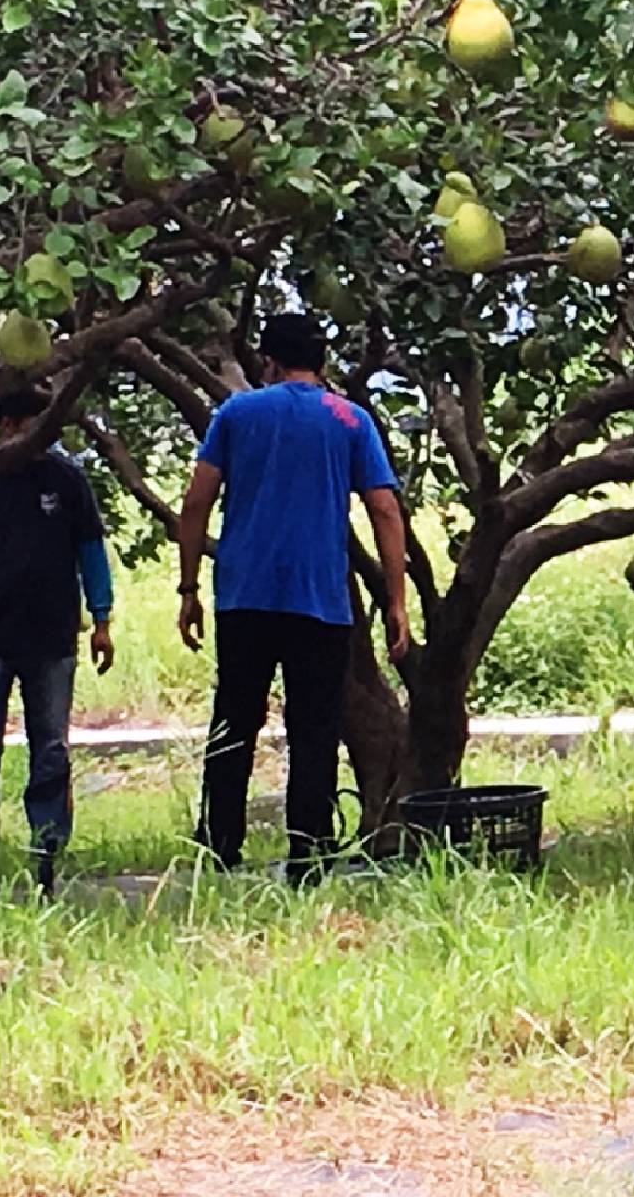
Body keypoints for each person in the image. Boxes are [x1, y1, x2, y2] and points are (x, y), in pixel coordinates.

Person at [176, 313, 410, 883]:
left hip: (244, 595)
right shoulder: (350, 419)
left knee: (234, 720)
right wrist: (397, 601)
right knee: (314, 728)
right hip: (320, 599)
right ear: (322, 363)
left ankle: (220, 848)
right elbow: (384, 509)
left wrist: (188, 588)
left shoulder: (237, 413)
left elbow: (195, 501)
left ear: (268, 362)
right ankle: (308, 854)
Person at [0, 386, 115, 877]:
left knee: (52, 747)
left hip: (53, 636)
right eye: (32, 425)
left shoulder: (66, 480)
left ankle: (49, 839)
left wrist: (101, 621)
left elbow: (91, 553)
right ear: (8, 426)